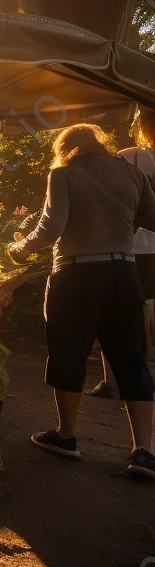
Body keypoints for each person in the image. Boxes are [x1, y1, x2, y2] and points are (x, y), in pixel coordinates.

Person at [8, 123, 155, 479]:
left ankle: (66, 436)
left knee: (68, 350)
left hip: (75, 275)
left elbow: (51, 227)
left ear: (66, 149)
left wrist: (19, 248)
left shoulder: (64, 174)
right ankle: (145, 451)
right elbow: (151, 218)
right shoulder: (132, 172)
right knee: (132, 357)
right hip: (123, 273)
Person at [87, 106, 155, 398]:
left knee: (114, 312)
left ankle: (110, 381)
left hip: (127, 247)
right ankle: (144, 376)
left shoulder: (129, 157)